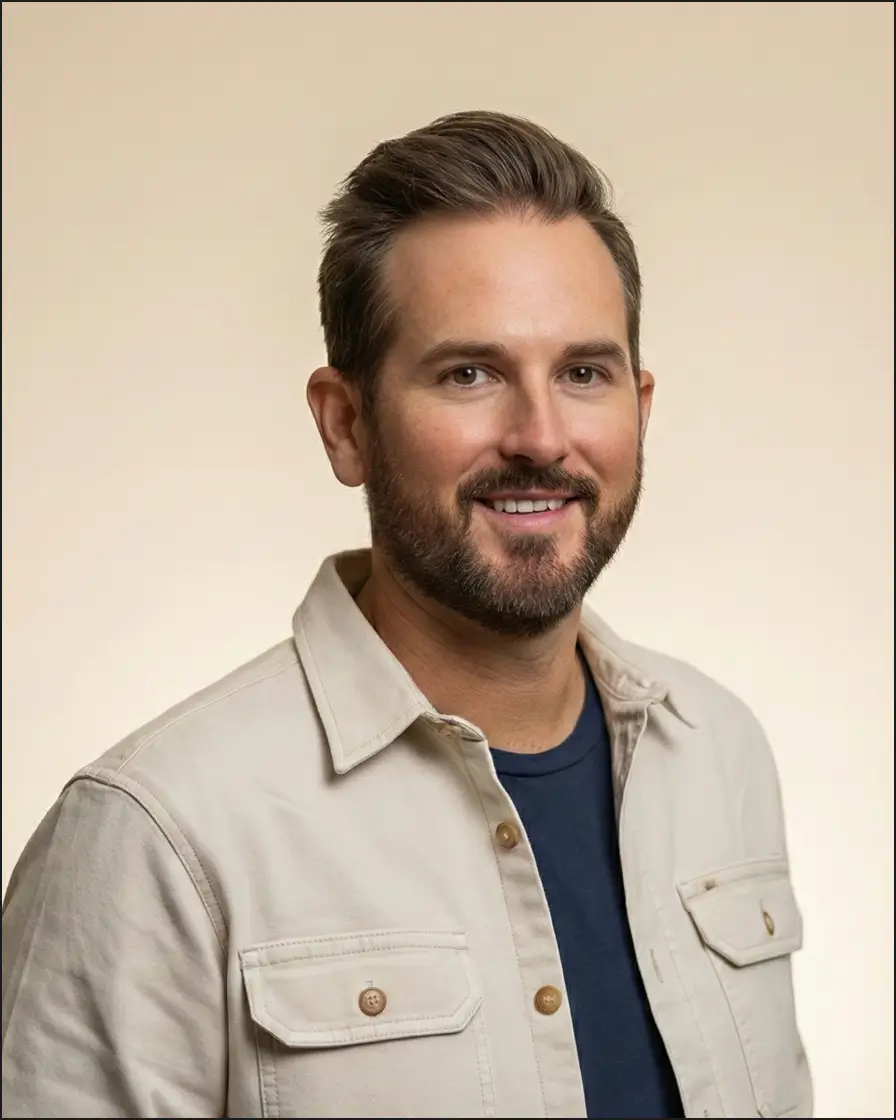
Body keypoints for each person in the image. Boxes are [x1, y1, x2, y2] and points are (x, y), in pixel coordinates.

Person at [1, 110, 812, 1120]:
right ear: (346, 425)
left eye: (582, 373)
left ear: (639, 408)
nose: (539, 435)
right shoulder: (157, 837)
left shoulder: (720, 756)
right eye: (467, 373)